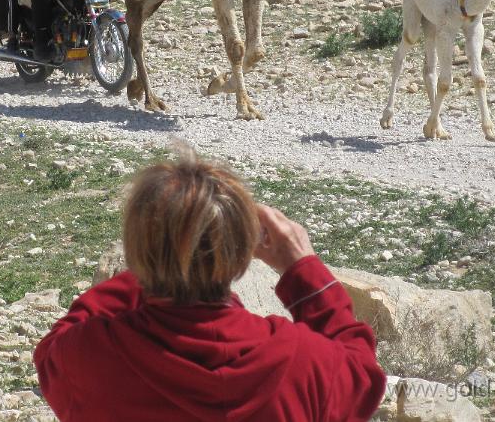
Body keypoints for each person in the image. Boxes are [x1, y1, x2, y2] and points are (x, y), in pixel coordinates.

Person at [34, 151, 386, 422]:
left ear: (137, 250)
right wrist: (303, 269)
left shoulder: (89, 358)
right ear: (242, 255)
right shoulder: (305, 365)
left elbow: (54, 346)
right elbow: (362, 376)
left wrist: (157, 259)